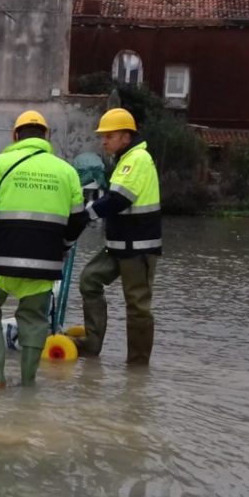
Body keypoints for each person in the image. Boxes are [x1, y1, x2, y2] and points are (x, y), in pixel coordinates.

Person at [0, 110, 88, 387]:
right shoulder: (66, 171)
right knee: (34, 319)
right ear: (47, 136)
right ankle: (28, 383)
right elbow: (78, 220)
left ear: (15, 135)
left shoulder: (0, 164)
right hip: (45, 264)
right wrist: (64, 246)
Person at [73, 108, 161, 365]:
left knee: (137, 305)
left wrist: (85, 215)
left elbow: (119, 200)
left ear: (125, 136)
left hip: (139, 248)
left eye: (109, 136)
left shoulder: (138, 159)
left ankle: (137, 365)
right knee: (90, 279)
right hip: (119, 245)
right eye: (103, 136)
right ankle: (92, 345)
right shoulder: (125, 160)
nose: (103, 141)